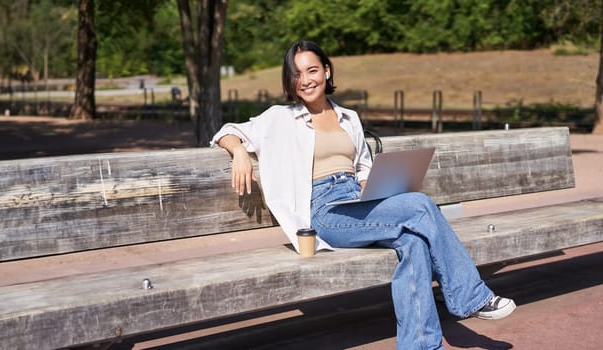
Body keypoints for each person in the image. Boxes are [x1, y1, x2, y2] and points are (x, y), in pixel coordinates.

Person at [212, 40, 515, 349]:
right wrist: (238, 152)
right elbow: (226, 131)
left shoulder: (349, 118)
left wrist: (381, 185)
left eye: (312, 70)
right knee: (421, 206)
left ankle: (420, 345)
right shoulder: (280, 117)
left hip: (358, 202)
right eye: (297, 74)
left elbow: (363, 168)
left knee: (414, 242)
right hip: (324, 212)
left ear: (327, 71)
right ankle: (472, 297)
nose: (305, 80)